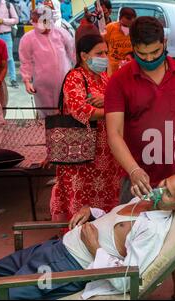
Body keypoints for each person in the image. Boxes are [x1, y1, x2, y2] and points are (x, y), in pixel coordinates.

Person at [0, 171, 175, 300]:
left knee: (0, 296)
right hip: (53, 247)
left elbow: (127, 280)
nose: (159, 190)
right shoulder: (143, 200)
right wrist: (91, 212)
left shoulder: (152, 230)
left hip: (66, 266)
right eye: (163, 182)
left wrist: (95, 248)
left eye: (169, 194)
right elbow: (114, 223)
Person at [105, 16, 175, 300]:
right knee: (132, 237)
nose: (149, 59)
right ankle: (131, 292)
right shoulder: (120, 80)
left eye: (155, 53)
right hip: (139, 176)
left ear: (164, 43)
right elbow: (115, 133)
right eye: (142, 54)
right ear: (133, 49)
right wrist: (134, 171)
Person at [50, 34, 122, 223]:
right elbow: (81, 110)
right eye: (99, 53)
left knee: (105, 196)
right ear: (84, 55)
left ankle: (104, 232)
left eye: (106, 52)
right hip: (82, 153)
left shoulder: (103, 77)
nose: (104, 57)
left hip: (106, 153)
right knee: (81, 196)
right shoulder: (75, 77)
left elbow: (117, 100)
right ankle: (78, 239)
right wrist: (111, 109)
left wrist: (107, 104)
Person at [19, 5, 74, 119]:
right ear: (34, 22)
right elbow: (25, 62)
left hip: (66, 82)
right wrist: (27, 81)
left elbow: (72, 52)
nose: (47, 26)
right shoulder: (27, 39)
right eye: (42, 22)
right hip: (43, 87)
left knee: (67, 113)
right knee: (47, 117)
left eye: (48, 21)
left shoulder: (61, 33)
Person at [104, 7, 135, 76]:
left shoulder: (136, 32)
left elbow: (139, 49)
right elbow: (102, 43)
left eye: (129, 27)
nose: (126, 29)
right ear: (120, 19)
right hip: (111, 69)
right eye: (124, 25)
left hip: (128, 69)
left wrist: (131, 55)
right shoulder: (110, 28)